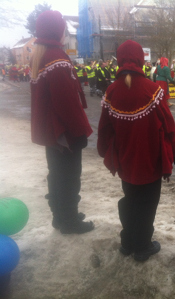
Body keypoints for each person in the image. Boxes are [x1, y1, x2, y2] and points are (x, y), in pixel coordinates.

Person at [97, 40, 175, 261]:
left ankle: (128, 241)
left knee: (130, 199)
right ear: (140, 59)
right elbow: (168, 124)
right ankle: (143, 245)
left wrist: (104, 151)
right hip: (150, 160)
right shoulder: (152, 89)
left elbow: (104, 129)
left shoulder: (111, 91)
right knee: (148, 204)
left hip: (125, 160)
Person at [30, 10, 94, 233]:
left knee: (56, 174)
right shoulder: (57, 58)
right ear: (57, 31)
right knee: (69, 176)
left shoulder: (41, 56)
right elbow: (67, 102)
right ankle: (69, 220)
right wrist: (79, 132)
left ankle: (61, 215)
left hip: (52, 133)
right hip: (64, 132)